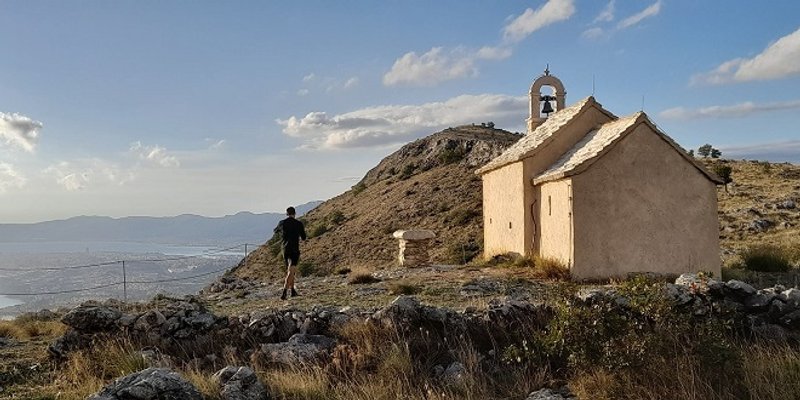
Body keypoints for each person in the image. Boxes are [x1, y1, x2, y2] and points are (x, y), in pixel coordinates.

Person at [274, 206, 307, 300]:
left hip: (285, 249)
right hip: (294, 249)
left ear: (287, 214)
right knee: (291, 271)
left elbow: (275, 231)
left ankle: (293, 291)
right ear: (295, 213)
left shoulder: (282, 222)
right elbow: (304, 237)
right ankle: (284, 292)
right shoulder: (299, 223)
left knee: (291, 271)